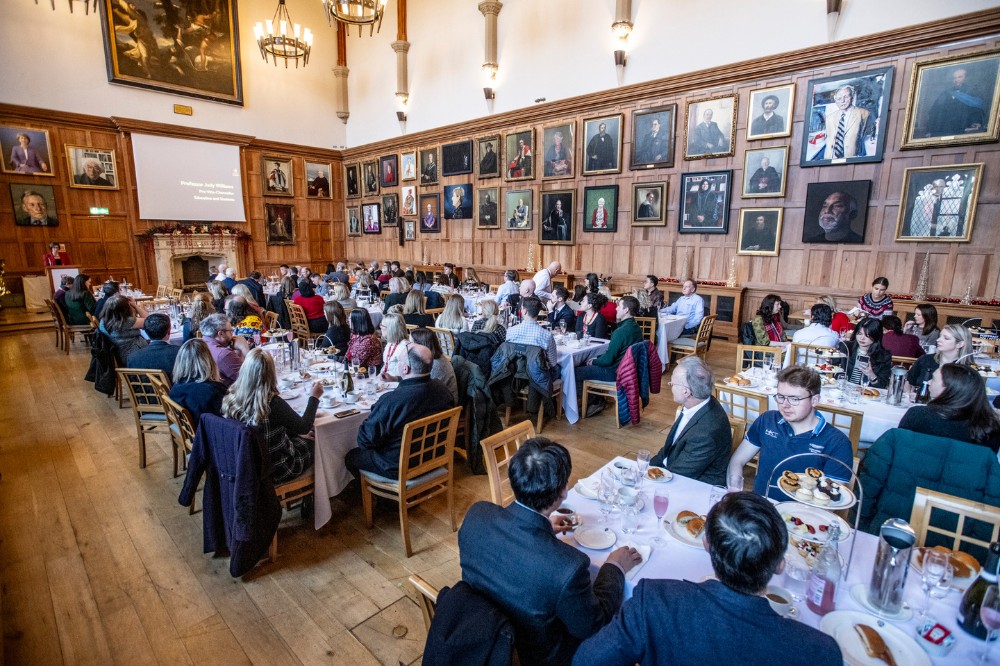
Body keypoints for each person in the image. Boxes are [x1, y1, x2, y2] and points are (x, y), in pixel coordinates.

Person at [574, 491, 842, 666]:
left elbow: (586, 661)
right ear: (781, 565)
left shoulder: (653, 602)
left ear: (705, 544)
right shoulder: (820, 652)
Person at [460, 437, 639, 665]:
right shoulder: (568, 566)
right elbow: (592, 625)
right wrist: (615, 567)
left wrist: (544, 528)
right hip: (533, 655)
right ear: (564, 492)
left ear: (514, 479)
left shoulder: (477, 514)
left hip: (479, 631)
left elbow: (511, 552)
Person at [728, 366, 853, 496]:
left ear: (815, 400)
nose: (785, 405)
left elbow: (829, 496)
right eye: (781, 397)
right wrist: (734, 489)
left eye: (795, 399)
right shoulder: (767, 420)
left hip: (802, 514)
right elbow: (737, 460)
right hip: (760, 507)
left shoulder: (838, 443)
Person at [345, 344, 455, 480]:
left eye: (399, 361)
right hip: (433, 456)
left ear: (405, 368)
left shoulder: (392, 401)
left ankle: (384, 497)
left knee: (351, 457)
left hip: (397, 466)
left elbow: (365, 441)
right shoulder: (443, 390)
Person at [222, 348, 320, 484]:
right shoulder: (272, 403)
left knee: (302, 436)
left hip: (246, 466)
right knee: (318, 441)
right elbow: (304, 426)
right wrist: (314, 397)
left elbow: (271, 427)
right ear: (271, 374)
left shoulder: (232, 397)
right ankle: (322, 492)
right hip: (278, 469)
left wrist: (295, 433)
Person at [650, 357, 732, 485]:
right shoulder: (699, 404)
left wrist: (648, 481)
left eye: (672, 383)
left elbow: (678, 476)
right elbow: (668, 450)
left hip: (696, 487)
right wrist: (647, 470)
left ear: (686, 392)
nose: (669, 385)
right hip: (677, 471)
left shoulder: (706, 433)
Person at [899, 364, 1000, 452]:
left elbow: (899, 448)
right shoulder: (990, 427)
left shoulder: (918, 415)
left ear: (948, 387)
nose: (928, 382)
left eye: (933, 379)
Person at [576, 296, 644, 417]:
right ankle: (596, 399)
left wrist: (594, 362)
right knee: (585, 364)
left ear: (626, 310)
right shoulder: (636, 328)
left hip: (615, 372)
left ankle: (595, 402)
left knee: (574, 371)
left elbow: (608, 360)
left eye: (619, 306)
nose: (616, 309)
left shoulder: (621, 331)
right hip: (627, 370)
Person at [168, 339, 227, 424]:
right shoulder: (214, 390)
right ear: (208, 360)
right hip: (209, 433)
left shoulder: (175, 388)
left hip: (191, 431)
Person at [905, 324, 974, 391]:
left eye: (946, 338)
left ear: (960, 344)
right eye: (940, 336)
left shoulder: (966, 369)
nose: (938, 340)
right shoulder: (925, 359)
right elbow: (909, 383)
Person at [924, 67, 987, 137]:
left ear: (965, 78)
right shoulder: (945, 94)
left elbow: (976, 109)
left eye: (959, 77)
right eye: (954, 78)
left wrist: (976, 122)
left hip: (963, 128)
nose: (956, 80)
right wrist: (929, 130)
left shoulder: (972, 92)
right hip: (945, 130)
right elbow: (934, 112)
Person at [410, 327, 459, 403]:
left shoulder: (436, 365)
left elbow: (424, 391)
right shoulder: (429, 360)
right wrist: (395, 378)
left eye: (411, 343)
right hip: (434, 400)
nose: (409, 346)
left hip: (445, 407)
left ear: (422, 345)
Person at [823, 85, 873, 159]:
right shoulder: (829, 118)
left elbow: (868, 139)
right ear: (835, 101)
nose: (842, 101)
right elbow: (827, 138)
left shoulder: (864, 114)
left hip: (852, 161)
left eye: (846, 97)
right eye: (839, 98)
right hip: (829, 161)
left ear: (852, 97)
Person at [199, 313, 248, 386]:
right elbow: (250, 378)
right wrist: (244, 347)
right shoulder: (224, 354)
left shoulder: (202, 343)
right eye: (231, 331)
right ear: (221, 334)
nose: (233, 334)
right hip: (231, 393)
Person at [127, 313, 181, 380]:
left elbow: (134, 384)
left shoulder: (132, 358)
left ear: (145, 332)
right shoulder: (180, 353)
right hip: (174, 390)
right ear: (169, 330)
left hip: (144, 390)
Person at [100, 294, 149, 365]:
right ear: (124, 309)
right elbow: (149, 320)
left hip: (121, 354)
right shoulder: (126, 322)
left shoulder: (104, 321)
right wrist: (135, 306)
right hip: (134, 358)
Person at [844, 317, 892, 388]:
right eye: (859, 333)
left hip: (866, 394)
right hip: (844, 390)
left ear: (876, 336)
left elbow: (882, 385)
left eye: (867, 335)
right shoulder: (846, 348)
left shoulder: (884, 356)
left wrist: (871, 374)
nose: (862, 338)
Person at [379, 314, 410, 382]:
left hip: (397, 383)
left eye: (382, 325)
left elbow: (408, 376)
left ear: (391, 329)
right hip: (386, 381)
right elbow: (386, 365)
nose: (380, 327)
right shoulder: (390, 343)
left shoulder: (404, 348)